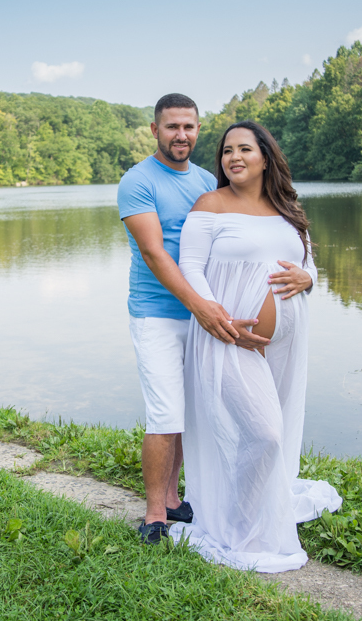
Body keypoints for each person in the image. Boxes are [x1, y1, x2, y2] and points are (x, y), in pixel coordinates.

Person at [168, 120, 342, 573]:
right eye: (227, 151)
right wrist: (218, 318)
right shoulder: (211, 205)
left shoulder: (287, 208)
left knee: (277, 427)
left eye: (244, 149)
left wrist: (308, 279)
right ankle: (241, 528)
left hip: (286, 342)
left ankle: (255, 509)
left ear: (265, 156)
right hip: (229, 337)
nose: (234, 157)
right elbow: (191, 268)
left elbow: (309, 266)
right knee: (265, 434)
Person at [117, 94, 270, 544]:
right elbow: (155, 253)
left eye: (188, 126)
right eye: (172, 126)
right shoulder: (138, 181)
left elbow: (243, 236)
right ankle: (154, 516)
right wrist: (201, 306)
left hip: (205, 316)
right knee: (165, 414)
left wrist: (302, 272)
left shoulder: (207, 181)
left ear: (199, 129)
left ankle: (172, 498)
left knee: (190, 414)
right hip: (157, 315)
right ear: (155, 130)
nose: (180, 135)